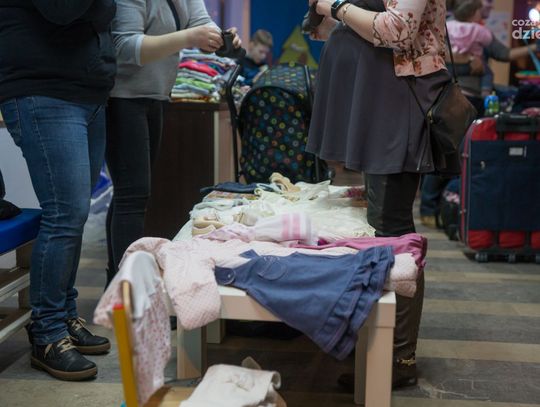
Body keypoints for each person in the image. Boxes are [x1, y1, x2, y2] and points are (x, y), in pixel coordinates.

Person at [306, 0, 452, 388]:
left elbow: (397, 29)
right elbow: (327, 30)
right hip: (375, 102)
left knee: (393, 231)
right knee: (377, 226)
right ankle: (378, 343)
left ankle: (399, 358)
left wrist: (335, 6)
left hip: (397, 101)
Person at [0, 0, 116, 380]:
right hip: (43, 90)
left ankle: (64, 316)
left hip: (85, 92)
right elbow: (62, 9)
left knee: (73, 215)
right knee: (65, 214)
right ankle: (47, 334)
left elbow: (105, 14)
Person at [105, 0, 241, 284]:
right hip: (122, 98)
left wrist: (220, 39)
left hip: (156, 96)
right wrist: (190, 37)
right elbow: (126, 47)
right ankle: (128, 289)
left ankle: (119, 283)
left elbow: (202, 24)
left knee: (131, 195)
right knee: (132, 195)